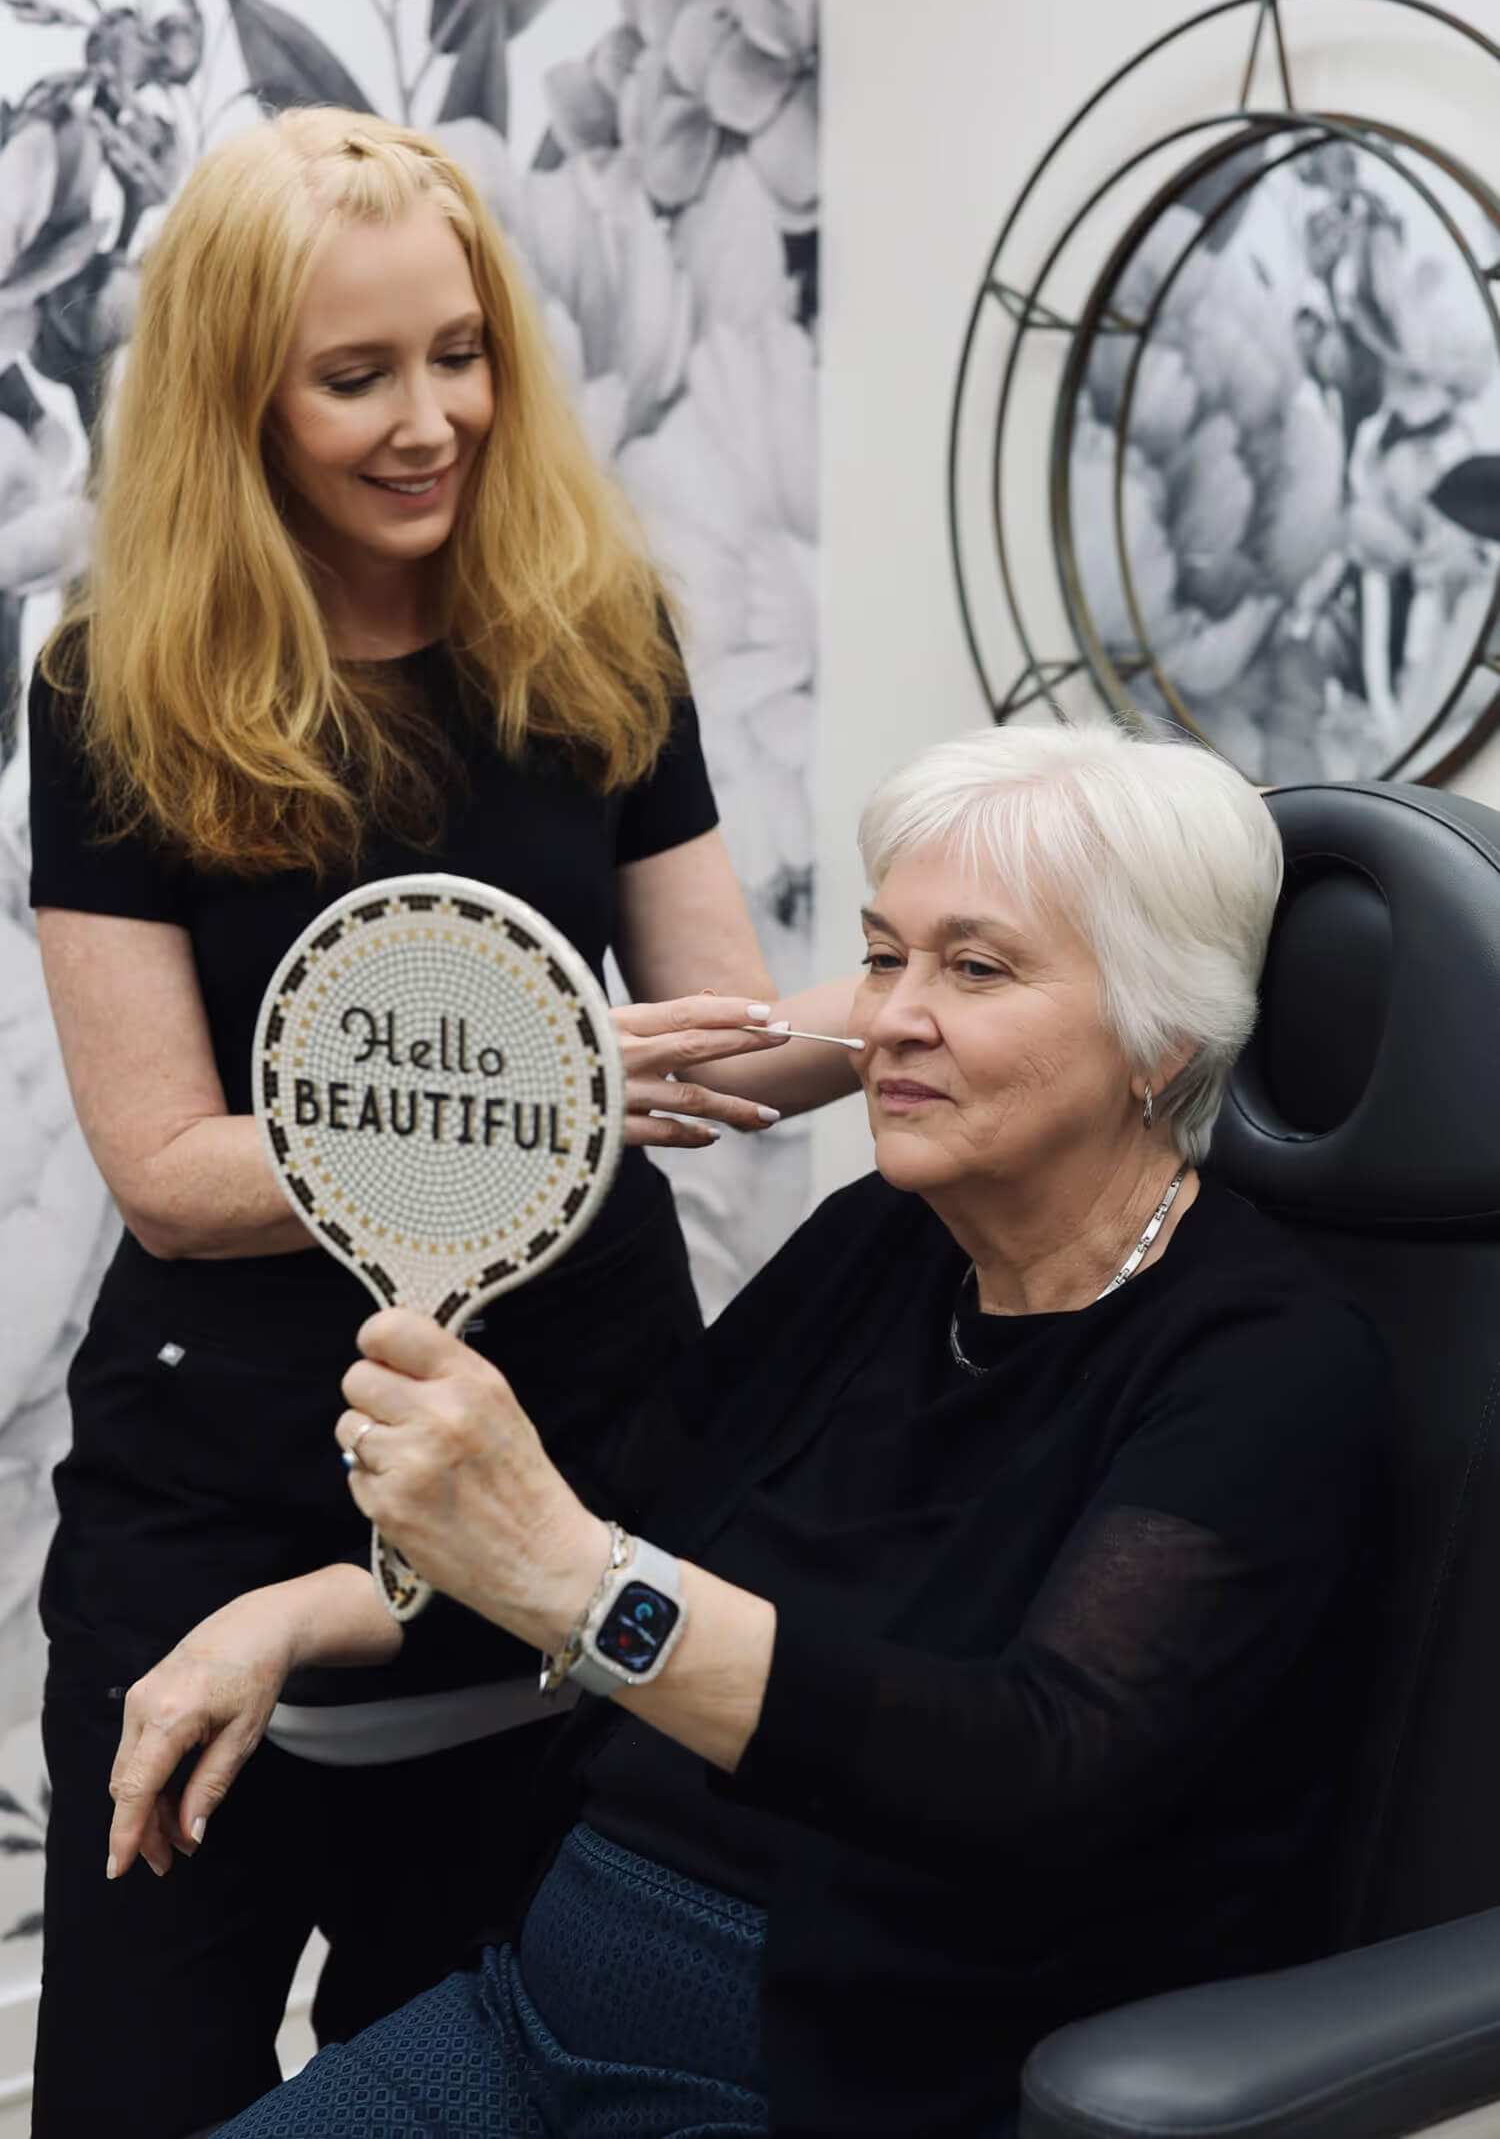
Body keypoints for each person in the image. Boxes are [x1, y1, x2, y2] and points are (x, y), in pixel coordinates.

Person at [108, 722, 1385, 2139]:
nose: (889, 1016)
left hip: (816, 2076)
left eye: (974, 968)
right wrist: (295, 1613)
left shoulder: (1264, 1364)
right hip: (532, 2005)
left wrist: (586, 1588)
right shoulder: (882, 1246)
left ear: (1163, 1041)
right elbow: (614, 1518)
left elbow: (1037, 1768)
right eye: (885, 955)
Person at [27, 107, 857, 2138]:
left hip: (564, 1479)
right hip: (220, 1504)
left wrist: (958, 1005)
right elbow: (176, 1177)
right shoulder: (116, 695)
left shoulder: (594, 639)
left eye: (462, 352)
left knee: (510, 2080)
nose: (434, 418)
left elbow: (720, 1034)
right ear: (240, 399)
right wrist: (560, 1086)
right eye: (358, 375)